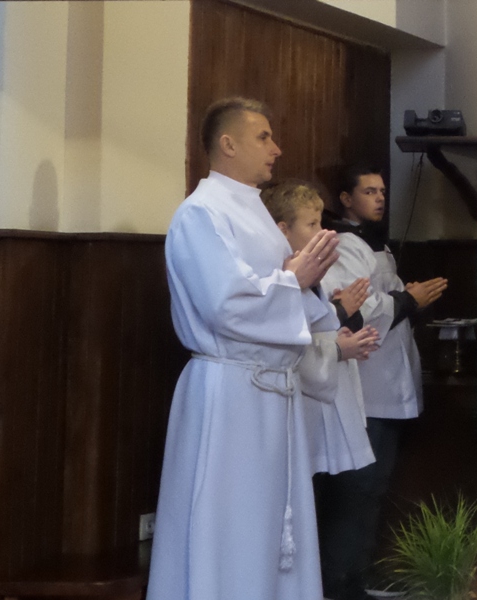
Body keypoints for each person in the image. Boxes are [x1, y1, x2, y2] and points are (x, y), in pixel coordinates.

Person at [147, 97, 339, 600]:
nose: (276, 148)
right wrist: (294, 280)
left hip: (271, 395)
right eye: (263, 137)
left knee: (274, 525)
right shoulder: (201, 213)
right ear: (228, 144)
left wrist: (304, 282)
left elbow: (282, 291)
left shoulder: (252, 210)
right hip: (231, 391)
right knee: (229, 524)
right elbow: (224, 303)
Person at [316, 165, 448, 600]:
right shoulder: (341, 244)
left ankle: (359, 574)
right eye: (369, 191)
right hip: (364, 386)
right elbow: (356, 309)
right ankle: (340, 581)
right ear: (345, 199)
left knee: (374, 489)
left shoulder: (376, 243)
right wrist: (409, 299)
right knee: (355, 489)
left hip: (388, 380)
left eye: (382, 192)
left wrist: (409, 298)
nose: (379, 198)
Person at [262, 179, 379, 475]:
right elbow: (288, 347)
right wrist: (338, 349)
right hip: (302, 403)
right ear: (283, 230)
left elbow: (317, 325)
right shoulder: (277, 277)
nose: (323, 232)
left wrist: (338, 334)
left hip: (326, 397)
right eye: (312, 224)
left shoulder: (312, 272)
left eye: (321, 222)